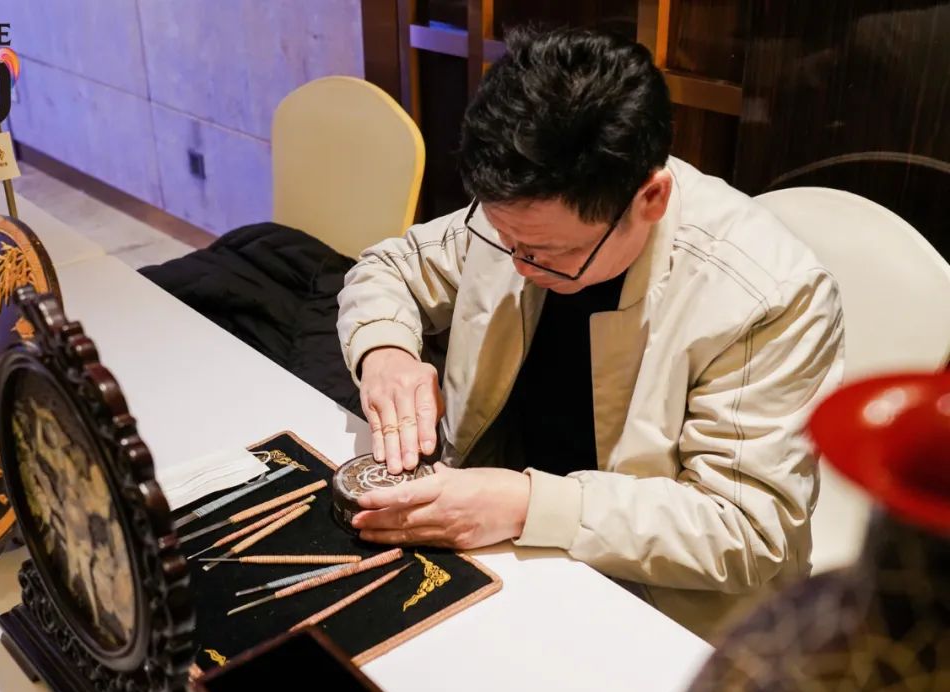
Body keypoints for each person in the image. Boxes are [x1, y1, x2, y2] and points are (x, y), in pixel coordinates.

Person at [335, 26, 844, 638]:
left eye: (549, 254)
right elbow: (391, 268)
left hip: (662, 610)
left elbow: (746, 530)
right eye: (505, 239)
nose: (519, 264)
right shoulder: (522, 214)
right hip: (502, 554)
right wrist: (385, 350)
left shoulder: (768, 294)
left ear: (650, 199)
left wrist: (527, 505)